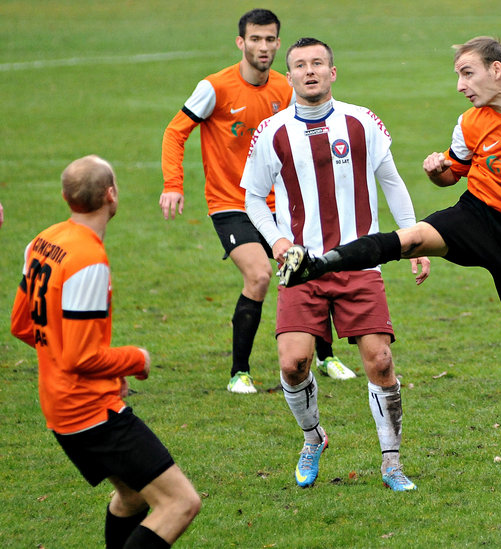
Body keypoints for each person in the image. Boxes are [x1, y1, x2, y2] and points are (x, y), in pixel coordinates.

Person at [277, 36, 501, 507]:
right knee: (409, 241)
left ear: (496, 70)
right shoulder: (470, 123)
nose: (459, 85)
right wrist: (435, 172)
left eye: (466, 73)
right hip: (479, 217)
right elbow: (453, 172)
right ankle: (319, 262)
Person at [241, 37, 430, 491]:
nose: (310, 71)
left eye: (318, 63)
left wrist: (415, 240)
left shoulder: (362, 122)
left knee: (381, 363)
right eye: (301, 65)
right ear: (290, 77)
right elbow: (252, 197)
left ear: (333, 72)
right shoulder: (271, 132)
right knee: (293, 365)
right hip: (301, 269)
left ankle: (391, 462)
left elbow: (393, 182)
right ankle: (313, 438)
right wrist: (279, 239)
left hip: (360, 263)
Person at [160, 9, 354, 395]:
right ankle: (239, 372)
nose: (262, 47)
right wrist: (173, 183)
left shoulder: (286, 86)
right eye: (255, 39)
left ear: (278, 43)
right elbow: (175, 132)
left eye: (269, 40)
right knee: (261, 275)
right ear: (241, 42)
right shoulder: (214, 88)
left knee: (309, 265)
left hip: (278, 204)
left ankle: (325, 355)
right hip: (230, 203)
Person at [10, 155, 200, 548]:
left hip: (59, 406)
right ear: (111, 194)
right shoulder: (88, 261)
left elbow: (23, 325)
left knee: (132, 497)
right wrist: (136, 360)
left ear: (66, 197)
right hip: (89, 411)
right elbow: (80, 358)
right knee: (181, 503)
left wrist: (101, 371)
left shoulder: (42, 241)